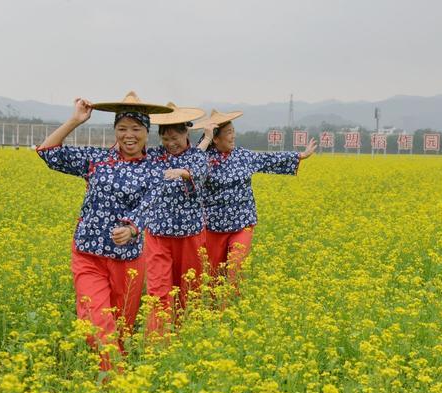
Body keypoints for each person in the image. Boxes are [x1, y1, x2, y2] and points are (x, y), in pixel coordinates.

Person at [36, 91, 172, 371]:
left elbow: (150, 205)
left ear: (147, 132)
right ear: (115, 132)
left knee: (120, 326)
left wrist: (132, 229)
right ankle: (115, 379)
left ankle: (112, 386)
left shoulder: (155, 168)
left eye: (136, 129)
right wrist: (75, 120)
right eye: (122, 129)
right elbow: (47, 153)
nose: (129, 135)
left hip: (128, 261)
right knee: (96, 323)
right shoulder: (97, 159)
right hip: (89, 254)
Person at [196, 110, 317, 289]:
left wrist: (299, 156)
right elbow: (188, 167)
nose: (233, 136)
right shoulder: (203, 159)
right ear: (215, 138)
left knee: (235, 268)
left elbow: (268, 159)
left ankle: (234, 308)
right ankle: (217, 312)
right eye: (228, 132)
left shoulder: (243, 156)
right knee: (215, 275)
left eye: (233, 131)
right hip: (214, 226)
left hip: (242, 223)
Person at [143, 103, 212, 336]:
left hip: (189, 236)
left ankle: (183, 337)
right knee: (158, 290)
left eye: (175, 137)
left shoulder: (198, 156)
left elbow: (199, 176)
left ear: (186, 133)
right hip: (157, 235)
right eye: (165, 139)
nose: (170, 143)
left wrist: (183, 173)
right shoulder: (152, 156)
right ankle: (157, 342)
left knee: (187, 290)